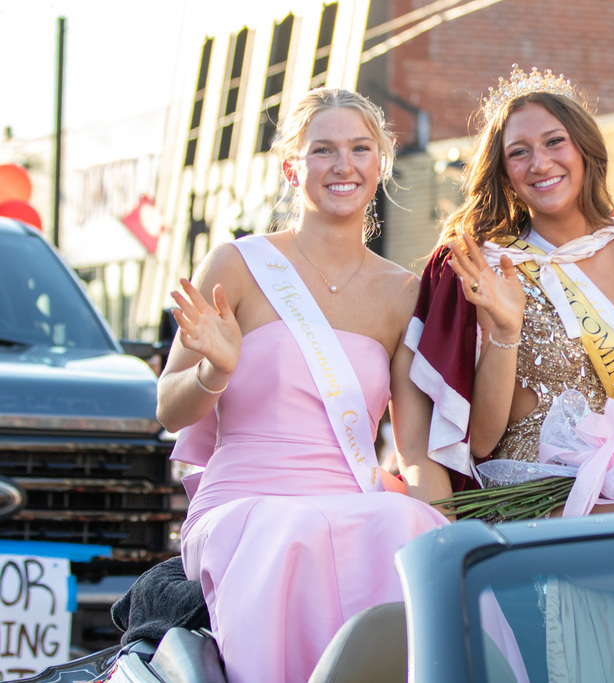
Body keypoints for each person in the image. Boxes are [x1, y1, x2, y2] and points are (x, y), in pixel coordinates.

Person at [155, 88, 448, 683]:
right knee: (288, 530)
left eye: (360, 148)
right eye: (323, 150)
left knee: (408, 525)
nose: (344, 165)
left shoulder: (402, 292)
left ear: (381, 163)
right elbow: (169, 408)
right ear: (293, 167)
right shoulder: (237, 265)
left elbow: (414, 452)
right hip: (247, 500)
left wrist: (449, 529)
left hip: (349, 492)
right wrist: (215, 370)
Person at [402, 66, 614, 508]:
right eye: (519, 152)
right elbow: (481, 442)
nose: (540, 163)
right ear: (504, 171)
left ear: (585, 148)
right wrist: (506, 331)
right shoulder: (490, 264)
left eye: (555, 141)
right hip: (542, 495)